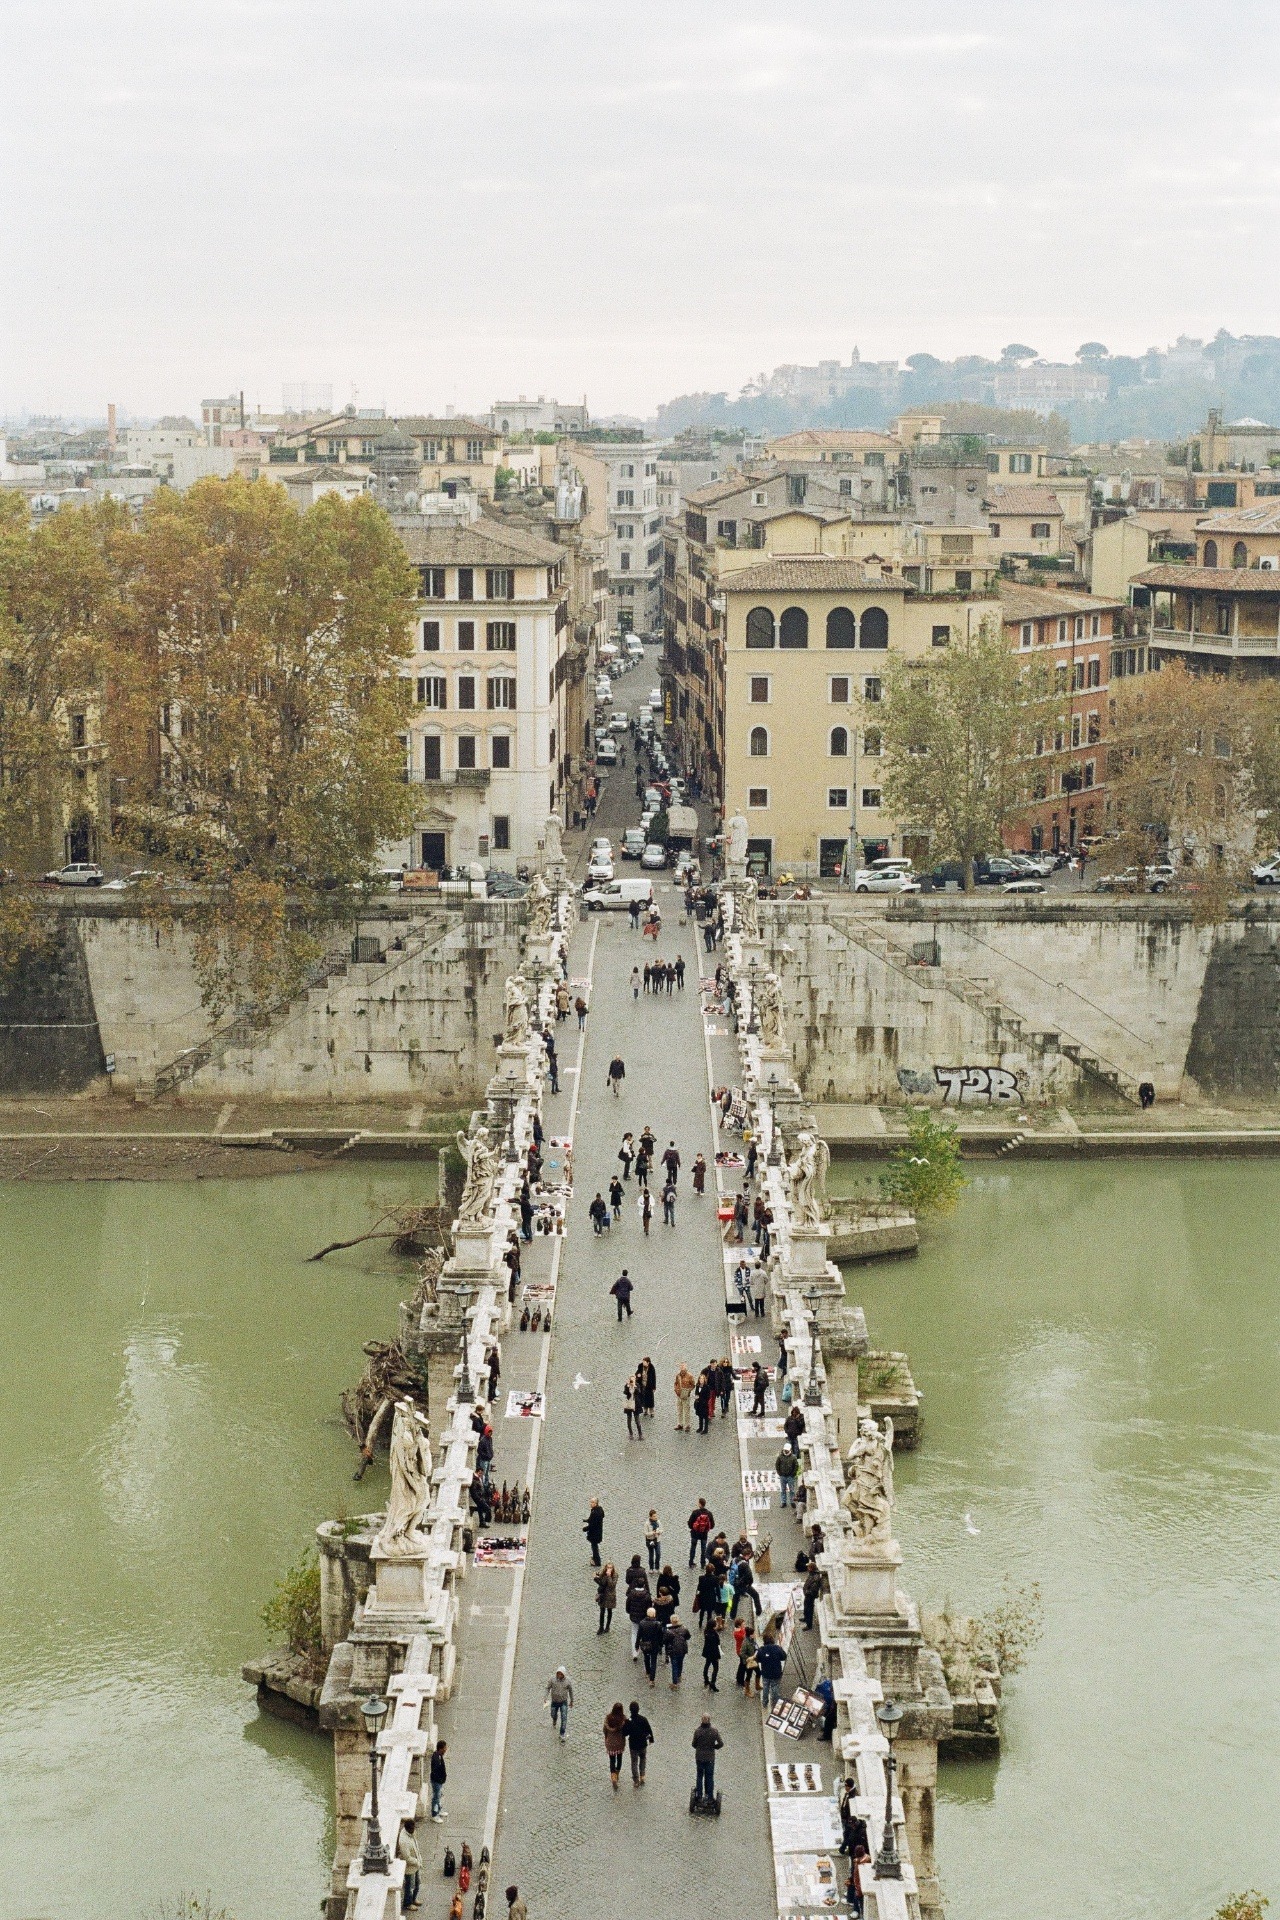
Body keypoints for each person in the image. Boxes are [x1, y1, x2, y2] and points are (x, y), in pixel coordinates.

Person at [692, 1714, 723, 1798]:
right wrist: (714, 1747)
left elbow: (693, 1744)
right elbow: (721, 1744)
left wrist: (699, 1747)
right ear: (709, 1720)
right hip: (710, 1758)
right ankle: (709, 1796)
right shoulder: (714, 1731)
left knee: (699, 1776)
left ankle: (699, 1795)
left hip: (699, 1757)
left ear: (701, 1720)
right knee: (709, 1776)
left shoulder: (698, 1731)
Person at [756, 1631, 787, 1710]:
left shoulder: (761, 1650)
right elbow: (784, 1657)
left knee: (765, 1687)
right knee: (775, 1688)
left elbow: (758, 1660)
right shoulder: (777, 1648)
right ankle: (775, 1704)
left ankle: (765, 1703)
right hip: (776, 1673)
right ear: (772, 1640)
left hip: (766, 1673)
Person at [625, 1701, 655, 1785]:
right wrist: (651, 1739)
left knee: (634, 1762)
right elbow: (649, 1730)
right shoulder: (643, 1719)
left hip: (633, 1745)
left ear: (630, 1710)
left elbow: (625, 1733)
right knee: (643, 1759)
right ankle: (642, 1776)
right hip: (642, 1744)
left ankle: (636, 1780)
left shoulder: (629, 1721)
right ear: (638, 1709)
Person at [397, 1818, 421, 1911]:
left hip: (416, 1863)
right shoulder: (403, 1841)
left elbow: (415, 1845)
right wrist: (417, 1861)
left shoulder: (412, 1832)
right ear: (408, 1829)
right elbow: (407, 1858)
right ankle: (407, 1903)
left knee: (417, 1883)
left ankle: (414, 1899)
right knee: (410, 1886)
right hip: (409, 1866)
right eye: (412, 1829)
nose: (414, 1830)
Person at [603, 1701, 628, 1790]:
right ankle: (617, 1773)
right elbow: (625, 1732)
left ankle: (613, 1776)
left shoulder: (608, 1718)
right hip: (619, 1743)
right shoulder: (623, 1720)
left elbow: (604, 1730)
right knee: (619, 1758)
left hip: (610, 1743)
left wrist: (606, 1738)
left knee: (612, 1760)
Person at [637, 1607, 665, 1686]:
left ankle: (648, 1671)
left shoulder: (642, 1623)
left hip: (645, 1644)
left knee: (646, 1658)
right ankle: (652, 1679)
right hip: (654, 1645)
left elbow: (639, 1635)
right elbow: (660, 1636)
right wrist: (661, 1645)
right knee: (653, 1661)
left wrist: (637, 1645)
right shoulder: (658, 1624)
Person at [545, 1667, 573, 1740]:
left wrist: (571, 1701)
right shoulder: (552, 1679)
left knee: (564, 1719)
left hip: (563, 1702)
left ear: (564, 1674)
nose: (559, 1675)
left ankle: (562, 1733)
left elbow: (570, 1691)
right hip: (554, 1702)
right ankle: (555, 1719)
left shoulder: (568, 1681)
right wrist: (545, 1697)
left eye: (561, 1674)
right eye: (558, 1673)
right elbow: (548, 1688)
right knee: (553, 1714)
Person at [687, 1497, 714, 1567]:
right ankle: (703, 1563)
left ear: (699, 1504)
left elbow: (690, 1523)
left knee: (693, 1548)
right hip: (704, 1534)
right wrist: (706, 1529)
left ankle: (691, 1562)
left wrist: (693, 1528)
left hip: (695, 1534)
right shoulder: (709, 1513)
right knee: (703, 1549)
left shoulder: (695, 1512)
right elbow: (712, 1525)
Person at [665, 1613, 690, 1686]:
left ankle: (674, 1682)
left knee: (674, 1665)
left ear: (671, 1621)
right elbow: (688, 1637)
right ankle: (679, 1675)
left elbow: (665, 1641)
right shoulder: (684, 1629)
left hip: (673, 1650)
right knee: (680, 1662)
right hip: (682, 1649)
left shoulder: (668, 1631)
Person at [428, 1740, 448, 1822]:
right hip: (437, 1781)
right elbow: (435, 1771)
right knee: (436, 1798)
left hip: (439, 1781)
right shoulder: (436, 1758)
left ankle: (439, 1810)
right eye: (444, 1748)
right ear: (440, 1749)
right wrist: (440, 1780)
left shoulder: (438, 1756)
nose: (445, 1750)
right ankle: (434, 1814)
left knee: (439, 1796)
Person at [701, 1618, 722, 1691]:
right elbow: (717, 1644)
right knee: (715, 1668)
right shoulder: (714, 1634)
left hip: (707, 1652)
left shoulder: (706, 1631)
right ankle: (713, 1683)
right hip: (713, 1653)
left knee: (707, 1665)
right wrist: (718, 1655)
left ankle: (706, 1679)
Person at [595, 1562, 617, 1633]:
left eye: (611, 1568)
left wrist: (608, 1576)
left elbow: (612, 1586)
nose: (609, 1569)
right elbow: (601, 1583)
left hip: (610, 1596)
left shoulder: (615, 1575)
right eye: (608, 1567)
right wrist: (596, 1578)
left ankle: (607, 1627)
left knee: (609, 1611)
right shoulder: (603, 1573)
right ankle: (601, 1627)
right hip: (603, 1595)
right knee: (602, 1611)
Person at [776, 1441, 799, 1508]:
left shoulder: (793, 1457)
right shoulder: (780, 1457)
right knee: (783, 1490)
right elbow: (777, 1465)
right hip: (783, 1476)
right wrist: (779, 1473)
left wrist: (793, 1474)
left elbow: (796, 1466)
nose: (785, 1451)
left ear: (789, 1450)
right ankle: (783, 1502)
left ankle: (792, 1502)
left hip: (790, 1477)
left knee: (792, 1490)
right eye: (785, 1450)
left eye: (787, 1450)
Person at [583, 1497, 605, 1567]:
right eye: (590, 1502)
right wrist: (587, 1520)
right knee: (594, 1546)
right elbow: (593, 1520)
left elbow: (593, 1524)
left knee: (594, 1547)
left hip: (594, 1533)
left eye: (592, 1502)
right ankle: (595, 1559)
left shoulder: (595, 1512)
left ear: (596, 1503)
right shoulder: (598, 1510)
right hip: (598, 1532)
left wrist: (585, 1528)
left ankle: (597, 1561)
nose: (591, 1504)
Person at [674, 1362, 695, 1431]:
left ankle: (687, 1425)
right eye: (681, 1366)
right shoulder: (678, 1375)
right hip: (679, 1395)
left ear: (686, 1367)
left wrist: (688, 1391)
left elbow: (693, 1385)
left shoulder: (690, 1376)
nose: (682, 1367)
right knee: (679, 1411)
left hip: (686, 1396)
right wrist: (676, 1390)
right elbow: (676, 1383)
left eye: (683, 1366)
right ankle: (680, 1424)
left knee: (686, 1411)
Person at [802, 1558, 823, 1630]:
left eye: (808, 1567)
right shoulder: (812, 1574)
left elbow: (813, 1589)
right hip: (807, 1595)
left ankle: (809, 1625)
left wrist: (807, 1592)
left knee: (809, 1610)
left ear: (811, 1568)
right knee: (805, 1608)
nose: (807, 1568)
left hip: (810, 1596)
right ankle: (805, 1618)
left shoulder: (815, 1578)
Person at [623, 1374, 644, 1440]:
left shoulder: (637, 1385)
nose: (632, 1381)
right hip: (629, 1404)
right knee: (629, 1420)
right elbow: (625, 1393)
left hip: (636, 1405)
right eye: (631, 1380)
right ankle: (631, 1434)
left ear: (635, 1380)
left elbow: (638, 1392)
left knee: (637, 1420)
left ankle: (640, 1434)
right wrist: (628, 1386)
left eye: (633, 1379)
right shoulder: (627, 1385)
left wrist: (634, 1386)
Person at [693, 1370, 713, 1436]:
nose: (701, 1380)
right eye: (700, 1379)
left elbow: (708, 1396)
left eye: (702, 1379)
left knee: (705, 1417)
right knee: (700, 1416)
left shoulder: (707, 1387)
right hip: (698, 1404)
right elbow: (696, 1393)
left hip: (704, 1404)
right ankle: (700, 1427)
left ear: (704, 1380)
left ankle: (705, 1429)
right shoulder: (697, 1386)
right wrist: (696, 1397)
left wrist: (700, 1398)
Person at [477, 1422, 494, 1488]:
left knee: (487, 1473)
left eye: (491, 1432)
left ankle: (486, 1485)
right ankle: (482, 1486)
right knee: (483, 1474)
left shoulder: (490, 1438)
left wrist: (491, 1454)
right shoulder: (482, 1440)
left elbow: (490, 1446)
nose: (490, 1433)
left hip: (488, 1459)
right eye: (489, 1432)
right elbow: (479, 1451)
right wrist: (486, 1455)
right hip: (484, 1460)